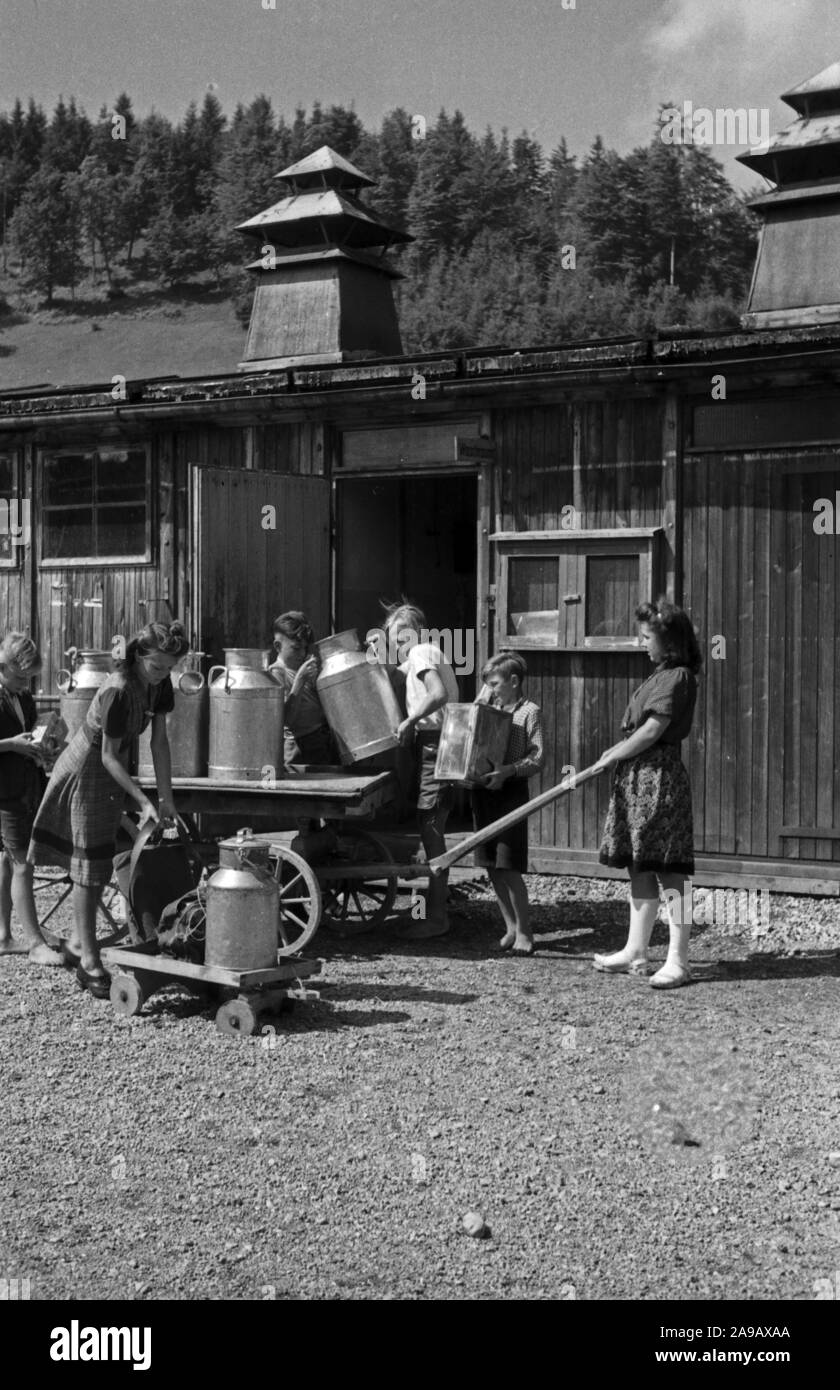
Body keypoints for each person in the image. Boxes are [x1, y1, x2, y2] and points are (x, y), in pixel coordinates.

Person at [29, 620, 188, 998]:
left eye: (169, 667)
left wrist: (166, 797)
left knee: (103, 855)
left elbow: (160, 743)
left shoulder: (159, 684)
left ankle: (74, 942)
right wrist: (144, 801)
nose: (163, 674)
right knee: (89, 864)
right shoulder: (118, 691)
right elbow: (108, 757)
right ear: (137, 656)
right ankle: (87, 960)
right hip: (88, 767)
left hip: (112, 765)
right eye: (156, 666)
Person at [592, 599, 702, 989]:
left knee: (669, 868)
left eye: (647, 638)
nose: (644, 644)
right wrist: (615, 757)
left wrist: (612, 754)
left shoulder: (678, 678)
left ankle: (679, 961)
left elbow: (654, 730)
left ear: (670, 643)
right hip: (637, 778)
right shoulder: (659, 676)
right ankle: (636, 950)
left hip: (659, 778)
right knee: (639, 864)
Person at [384, 601, 459, 939]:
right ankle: (433, 907)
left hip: (435, 743)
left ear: (413, 634)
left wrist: (410, 720)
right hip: (438, 743)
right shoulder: (429, 653)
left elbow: (438, 694)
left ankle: (437, 918)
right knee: (431, 827)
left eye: (400, 640)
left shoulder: (422, 653)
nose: (397, 647)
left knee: (431, 828)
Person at [472, 654, 544, 956]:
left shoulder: (530, 712)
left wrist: (510, 770)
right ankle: (510, 927)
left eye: (495, 684)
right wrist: (481, 699)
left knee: (509, 865)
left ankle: (525, 931)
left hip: (510, 791)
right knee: (490, 865)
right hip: (484, 791)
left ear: (514, 682)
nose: (491, 689)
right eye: (487, 684)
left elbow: (538, 758)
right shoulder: (488, 711)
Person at [0, 633, 63, 966]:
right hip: (5, 792)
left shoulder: (21, 696)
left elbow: (27, 735)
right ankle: (36, 943)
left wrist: (41, 745)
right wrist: (11, 744)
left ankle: (4, 937)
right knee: (23, 862)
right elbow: (10, 742)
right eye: (21, 675)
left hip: (23, 784)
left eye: (30, 677)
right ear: (3, 666)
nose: (26, 683)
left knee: (7, 861)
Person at [267, 611, 335, 768]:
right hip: (297, 747)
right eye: (296, 648)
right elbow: (287, 720)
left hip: (320, 741)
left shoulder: (303, 667)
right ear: (278, 646)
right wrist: (300, 680)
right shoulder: (276, 673)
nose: (302, 653)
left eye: (305, 648)